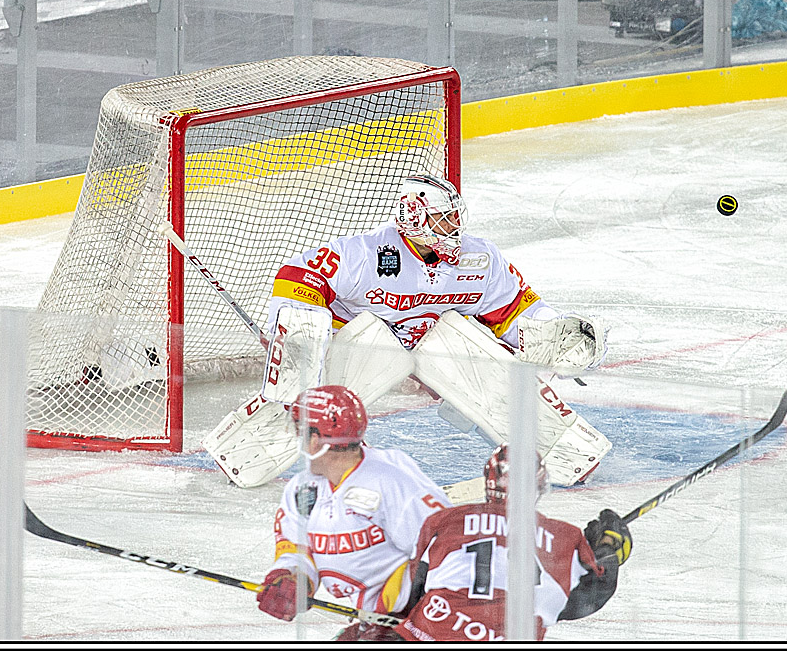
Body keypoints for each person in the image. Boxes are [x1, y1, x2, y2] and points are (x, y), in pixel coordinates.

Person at [204, 173, 612, 489]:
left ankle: (565, 452)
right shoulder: (365, 254)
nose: (454, 225)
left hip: (437, 349)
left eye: (455, 216)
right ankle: (243, 453)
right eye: (443, 218)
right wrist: (300, 332)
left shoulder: (479, 259)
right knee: (314, 390)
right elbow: (297, 276)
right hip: (367, 350)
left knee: (464, 343)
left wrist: (553, 331)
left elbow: (516, 309)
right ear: (416, 218)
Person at [255, 384, 452, 641]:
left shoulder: (391, 480)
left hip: (420, 619)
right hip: (375, 621)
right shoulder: (302, 489)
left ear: (314, 440)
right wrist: (294, 580)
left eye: (299, 432)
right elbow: (296, 547)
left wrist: (411, 624)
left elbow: (448, 547)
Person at [396, 443, 632, 642]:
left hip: (427, 633)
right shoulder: (564, 538)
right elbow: (589, 596)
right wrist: (608, 545)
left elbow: (412, 588)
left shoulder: (444, 521)